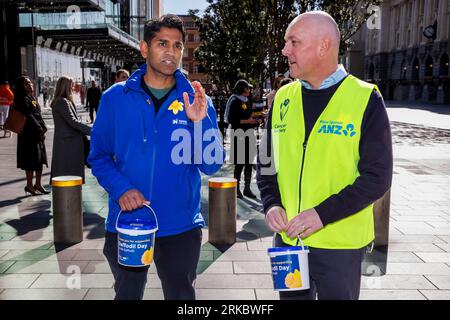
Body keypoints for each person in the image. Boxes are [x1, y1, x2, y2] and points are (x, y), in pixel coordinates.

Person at [256, 11, 393, 300]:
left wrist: (322, 214)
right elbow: (266, 161)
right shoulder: (282, 97)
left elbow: (378, 177)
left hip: (340, 247)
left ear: (324, 45)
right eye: (285, 42)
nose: (284, 50)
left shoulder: (365, 98)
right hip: (289, 244)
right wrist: (271, 204)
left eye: (293, 41)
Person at [88, 14, 224, 300]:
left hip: (180, 225)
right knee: (127, 295)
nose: (171, 52)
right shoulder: (115, 97)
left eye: (177, 46)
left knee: (181, 297)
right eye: (163, 43)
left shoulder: (197, 99)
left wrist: (200, 122)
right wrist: (121, 188)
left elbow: (211, 164)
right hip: (127, 223)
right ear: (144, 48)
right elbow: (98, 156)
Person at [50, 76, 91, 183]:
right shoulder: (62, 102)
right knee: (67, 172)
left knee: (68, 171)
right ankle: (68, 197)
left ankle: (70, 195)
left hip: (69, 142)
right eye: (71, 85)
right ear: (66, 86)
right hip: (68, 143)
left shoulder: (63, 101)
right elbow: (72, 121)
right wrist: (92, 131)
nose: (73, 87)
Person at [14, 76, 49, 196]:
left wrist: (42, 128)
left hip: (37, 133)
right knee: (30, 160)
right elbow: (29, 116)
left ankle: (38, 184)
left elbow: (37, 114)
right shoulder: (21, 99)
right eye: (26, 84)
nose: (30, 85)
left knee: (40, 159)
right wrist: (40, 128)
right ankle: (29, 185)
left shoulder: (32, 98)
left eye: (30, 83)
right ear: (21, 86)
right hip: (29, 134)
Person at [227, 79, 260, 199]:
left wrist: (256, 118)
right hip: (239, 134)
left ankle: (247, 188)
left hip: (249, 133)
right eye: (248, 88)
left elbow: (249, 115)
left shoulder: (247, 100)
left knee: (249, 162)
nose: (249, 90)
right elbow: (231, 120)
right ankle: (236, 189)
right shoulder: (235, 101)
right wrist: (248, 121)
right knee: (240, 162)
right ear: (243, 89)